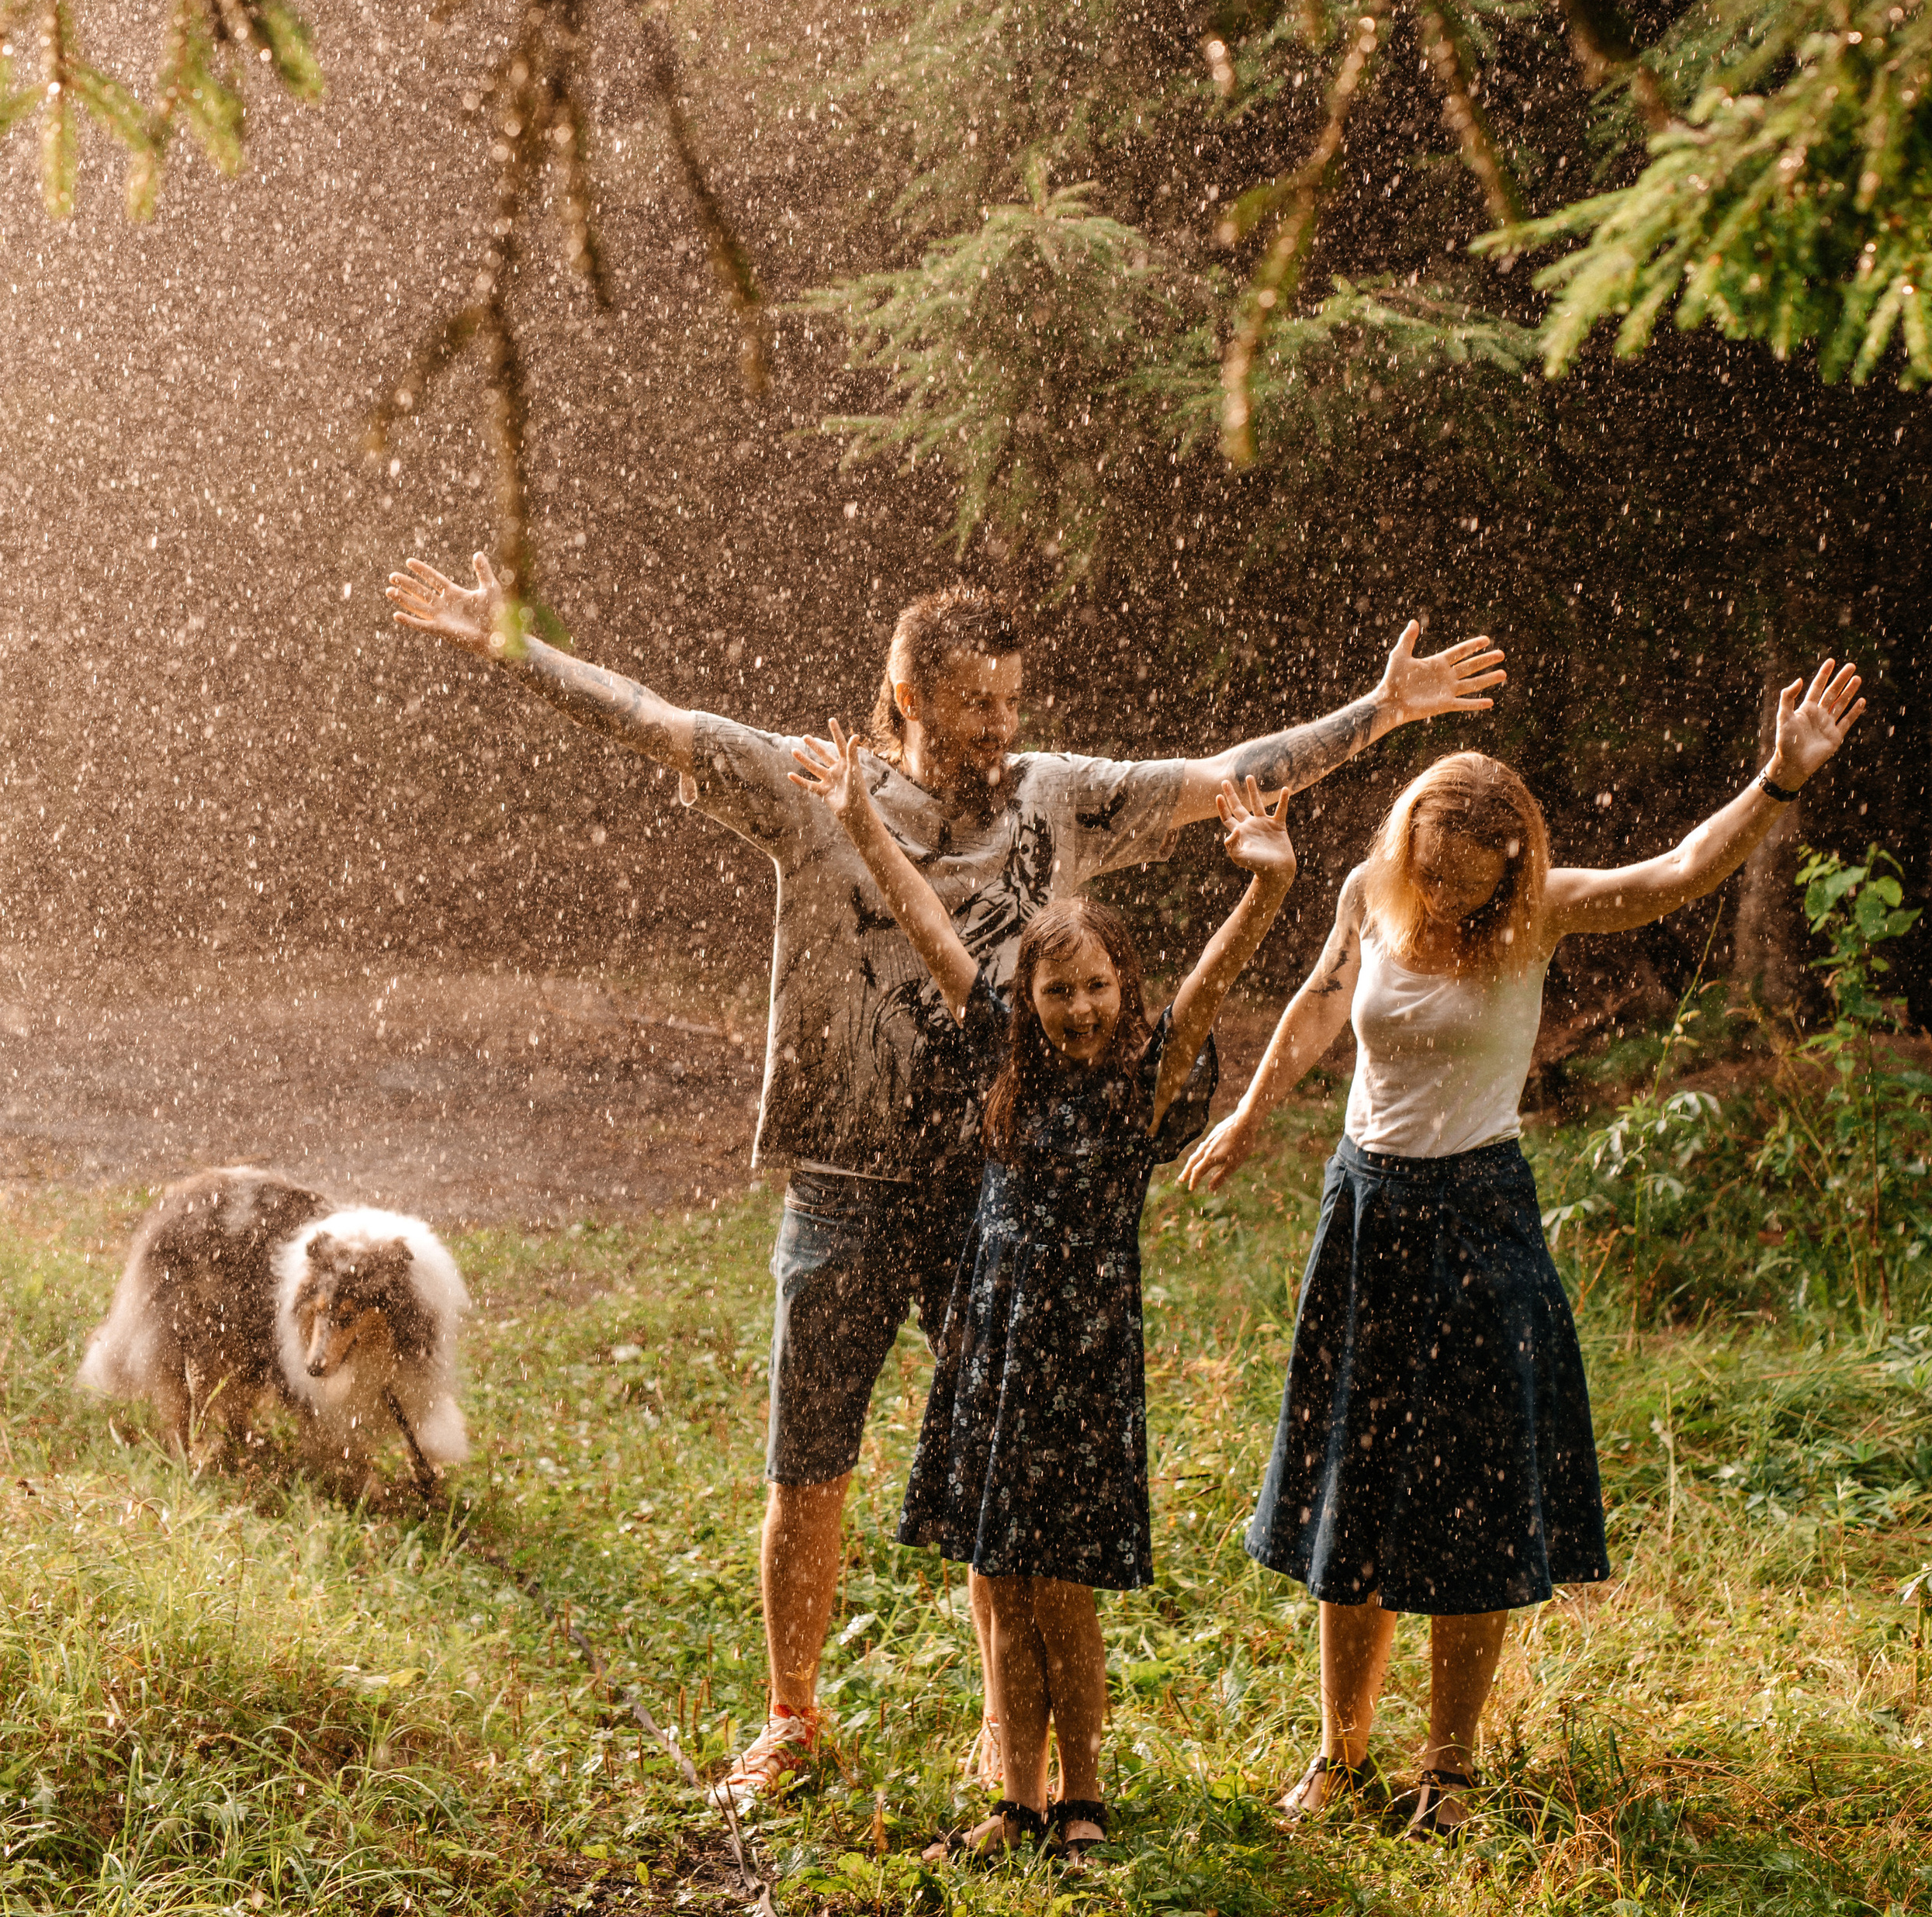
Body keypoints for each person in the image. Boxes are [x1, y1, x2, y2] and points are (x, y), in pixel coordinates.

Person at [388, 548, 1504, 1798]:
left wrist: (1386, 711)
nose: (1003, 727)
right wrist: (508, 646)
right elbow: (651, 718)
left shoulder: (1059, 797)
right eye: (979, 703)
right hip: (843, 1184)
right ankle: (793, 1718)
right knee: (807, 1464)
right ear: (907, 695)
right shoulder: (818, 785)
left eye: (1013, 701)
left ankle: (1009, 1746)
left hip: (998, 1198)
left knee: (1003, 1479)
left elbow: (1230, 780)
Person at [1180, 659, 1865, 1839]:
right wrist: (1250, 1110)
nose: (1446, 906)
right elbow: (1316, 1003)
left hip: (1479, 1216)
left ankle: (1448, 1771)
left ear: (1513, 872)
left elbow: (1676, 875)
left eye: (1471, 887)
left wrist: (1779, 780)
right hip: (1365, 1212)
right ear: (1408, 848)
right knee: (1357, 1478)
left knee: (1468, 1496)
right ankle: (1340, 1757)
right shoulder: (1366, 891)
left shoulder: (1539, 908)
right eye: (1434, 879)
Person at [791, 718, 1295, 1859]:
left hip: (1078, 1367)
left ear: (1127, 988)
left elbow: (1211, 988)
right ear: (1030, 999)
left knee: (1064, 1595)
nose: (1081, 1008)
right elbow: (928, 925)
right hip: (990, 1355)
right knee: (1000, 1583)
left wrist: (1270, 890)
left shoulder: (1145, 1083)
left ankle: (1084, 1800)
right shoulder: (1000, 1061)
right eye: (1060, 991)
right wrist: (864, 821)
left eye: (1100, 986)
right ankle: (1015, 1799)